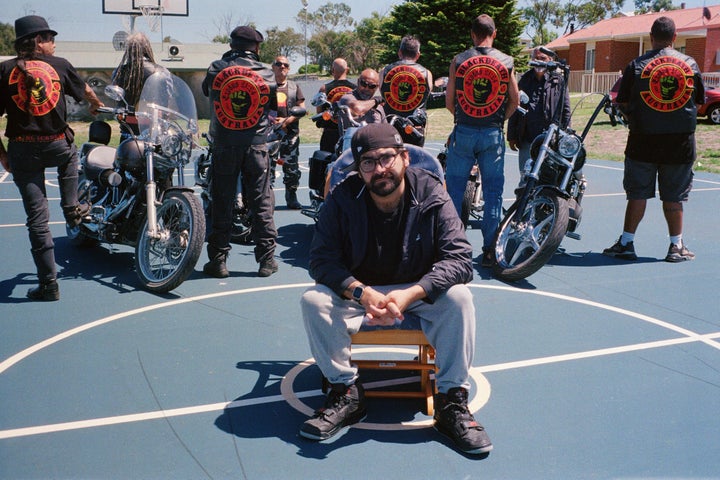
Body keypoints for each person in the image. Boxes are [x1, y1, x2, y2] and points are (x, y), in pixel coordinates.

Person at [298, 122, 493, 455]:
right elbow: (321, 261)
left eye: (387, 158)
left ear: (404, 157)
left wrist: (411, 294)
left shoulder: (431, 192)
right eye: (368, 162)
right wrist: (361, 292)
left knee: (460, 298)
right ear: (359, 169)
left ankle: (451, 401)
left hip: (416, 290)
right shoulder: (343, 197)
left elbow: (460, 258)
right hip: (362, 293)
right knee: (313, 300)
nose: (379, 169)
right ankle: (346, 391)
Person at [0, 15, 104, 301]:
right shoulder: (60, 66)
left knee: (37, 221)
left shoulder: (4, 70)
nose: (54, 44)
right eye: (48, 38)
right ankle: (72, 206)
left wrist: (3, 154)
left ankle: (49, 285)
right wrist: (97, 106)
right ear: (37, 42)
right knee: (70, 156)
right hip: (58, 145)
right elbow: (86, 91)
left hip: (22, 150)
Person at [602, 16, 704, 263]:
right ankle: (676, 246)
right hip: (679, 144)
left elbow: (622, 101)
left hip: (642, 140)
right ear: (674, 37)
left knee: (637, 193)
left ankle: (626, 243)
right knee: (674, 196)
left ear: (651, 37)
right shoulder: (689, 64)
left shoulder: (636, 65)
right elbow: (699, 102)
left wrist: (636, 117)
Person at [201, 26, 279, 278]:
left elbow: (206, 91)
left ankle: (218, 260)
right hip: (256, 144)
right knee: (261, 200)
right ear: (256, 47)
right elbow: (273, 104)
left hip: (225, 144)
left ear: (233, 44)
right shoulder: (266, 71)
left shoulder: (216, 68)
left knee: (221, 200)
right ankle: (266, 260)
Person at [444, 14, 519, 268]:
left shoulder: (459, 60)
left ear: (472, 34)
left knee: (453, 191)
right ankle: (490, 250)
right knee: (493, 194)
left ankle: (451, 248)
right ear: (494, 34)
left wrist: (464, 120)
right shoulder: (506, 62)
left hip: (464, 130)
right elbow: (515, 101)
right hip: (492, 133)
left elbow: (449, 101)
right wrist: (498, 121)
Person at [507, 46, 571, 175]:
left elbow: (566, 109)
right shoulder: (524, 80)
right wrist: (511, 136)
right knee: (526, 177)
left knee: (549, 176)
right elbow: (515, 107)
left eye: (543, 58)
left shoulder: (558, 80)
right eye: (536, 58)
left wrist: (567, 133)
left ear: (550, 60)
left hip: (551, 139)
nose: (539, 61)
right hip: (527, 137)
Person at [110, 32, 169, 140]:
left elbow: (117, 102)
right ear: (147, 48)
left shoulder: (118, 72)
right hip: (155, 133)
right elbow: (167, 100)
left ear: (128, 50)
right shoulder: (162, 72)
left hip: (128, 133)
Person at [380, 35, 433, 146]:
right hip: (415, 129)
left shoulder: (384, 71)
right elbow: (427, 95)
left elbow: (381, 93)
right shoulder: (427, 73)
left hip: (390, 127)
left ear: (400, 52)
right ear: (418, 55)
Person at [271, 55, 305, 209]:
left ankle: (291, 195)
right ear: (273, 67)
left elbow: (302, 109)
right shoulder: (266, 86)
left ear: (289, 68)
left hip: (290, 135)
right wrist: (273, 122)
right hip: (269, 135)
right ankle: (267, 200)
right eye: (278, 64)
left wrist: (285, 122)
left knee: (291, 168)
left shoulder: (294, 86)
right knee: (267, 168)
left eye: (285, 65)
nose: (282, 67)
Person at [337, 68, 385, 152]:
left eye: (371, 86)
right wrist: (375, 101)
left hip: (375, 150)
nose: (366, 88)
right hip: (350, 150)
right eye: (364, 84)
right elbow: (357, 109)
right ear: (358, 81)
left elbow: (386, 128)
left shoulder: (379, 107)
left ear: (377, 87)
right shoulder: (348, 98)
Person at [316, 58, 356, 153]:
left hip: (330, 133)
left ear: (333, 70)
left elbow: (319, 111)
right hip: (349, 133)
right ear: (347, 70)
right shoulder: (355, 88)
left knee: (326, 162)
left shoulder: (324, 88)